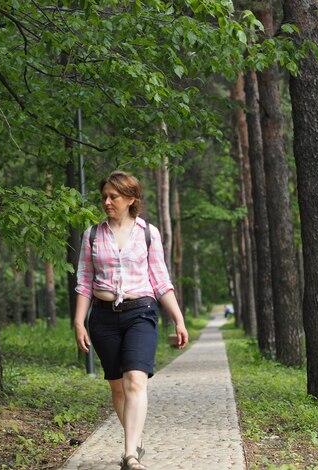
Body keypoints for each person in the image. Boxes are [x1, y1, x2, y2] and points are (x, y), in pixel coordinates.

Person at [74, 170, 189, 470]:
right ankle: (134, 442)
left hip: (141, 313)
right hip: (103, 318)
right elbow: (85, 282)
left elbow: (161, 281)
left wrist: (178, 319)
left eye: (113, 197)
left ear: (131, 198)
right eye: (104, 197)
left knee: (135, 381)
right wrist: (78, 322)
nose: (107, 202)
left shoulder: (148, 234)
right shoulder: (92, 235)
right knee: (118, 388)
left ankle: (130, 455)